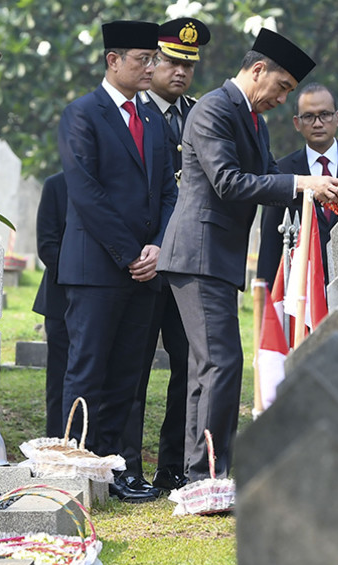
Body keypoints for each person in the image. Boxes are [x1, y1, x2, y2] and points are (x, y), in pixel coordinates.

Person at [158, 28, 338, 482]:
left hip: (218, 258)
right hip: (197, 253)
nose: (282, 100)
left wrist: (328, 189)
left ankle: (202, 473)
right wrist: (304, 184)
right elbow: (230, 182)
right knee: (221, 362)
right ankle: (207, 474)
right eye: (282, 87)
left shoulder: (253, 120)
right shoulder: (213, 109)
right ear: (258, 70)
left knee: (209, 366)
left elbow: (270, 179)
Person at [58, 20, 177, 503]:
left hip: (145, 269)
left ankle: (120, 469)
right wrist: (130, 254)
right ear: (113, 61)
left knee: (129, 376)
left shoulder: (151, 120)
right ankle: (75, 469)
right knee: (88, 370)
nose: (151, 68)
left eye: (154, 60)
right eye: (142, 59)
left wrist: (159, 247)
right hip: (97, 269)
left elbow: (169, 191)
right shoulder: (82, 114)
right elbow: (86, 193)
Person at [132, 17, 210, 494]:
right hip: (142, 261)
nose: (179, 72)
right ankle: (126, 463)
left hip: (188, 263)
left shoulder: (200, 114)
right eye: (170, 61)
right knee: (136, 367)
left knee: (188, 366)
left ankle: (174, 464)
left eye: (188, 64)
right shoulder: (132, 112)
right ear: (152, 62)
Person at [256, 83, 338, 284]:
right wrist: (265, 297)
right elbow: (270, 243)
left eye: (325, 114)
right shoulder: (281, 171)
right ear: (297, 123)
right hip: (301, 289)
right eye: (308, 117)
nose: (318, 123)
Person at [32, 172, 69, 439]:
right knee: (59, 379)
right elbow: (47, 245)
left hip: (107, 298)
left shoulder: (115, 182)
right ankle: (56, 442)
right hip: (62, 297)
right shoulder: (55, 185)